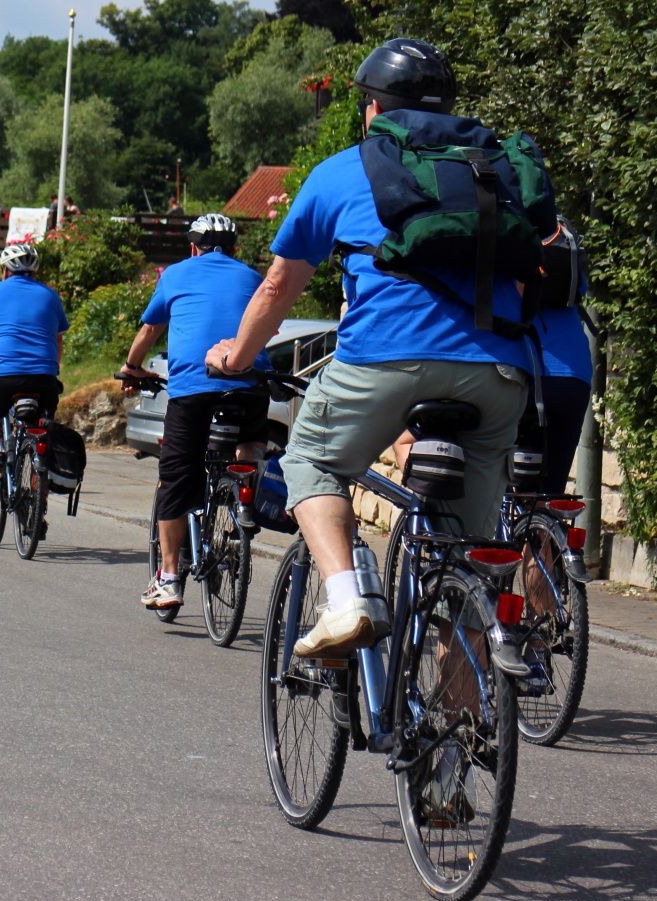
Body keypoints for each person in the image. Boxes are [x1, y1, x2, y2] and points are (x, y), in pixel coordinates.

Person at [205, 38, 558, 668]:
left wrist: (236, 355)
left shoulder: (345, 170)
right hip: (501, 373)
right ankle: (454, 747)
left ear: (371, 109)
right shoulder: (493, 171)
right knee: (467, 558)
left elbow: (280, 285)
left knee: (310, 459)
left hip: (386, 362)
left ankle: (347, 599)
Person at [121, 214, 271, 610]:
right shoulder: (251, 277)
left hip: (194, 390)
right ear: (234, 248)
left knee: (175, 476)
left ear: (193, 247)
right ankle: (245, 496)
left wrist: (132, 368)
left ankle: (168, 578)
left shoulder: (175, 274)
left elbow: (150, 330)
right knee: (252, 440)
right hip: (250, 383)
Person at [0, 243, 69, 480]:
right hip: (43, 379)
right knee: (42, 438)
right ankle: (39, 506)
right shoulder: (50, 296)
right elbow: (58, 340)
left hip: (2, 376)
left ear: (5, 271)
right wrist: (53, 370)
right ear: (35, 272)